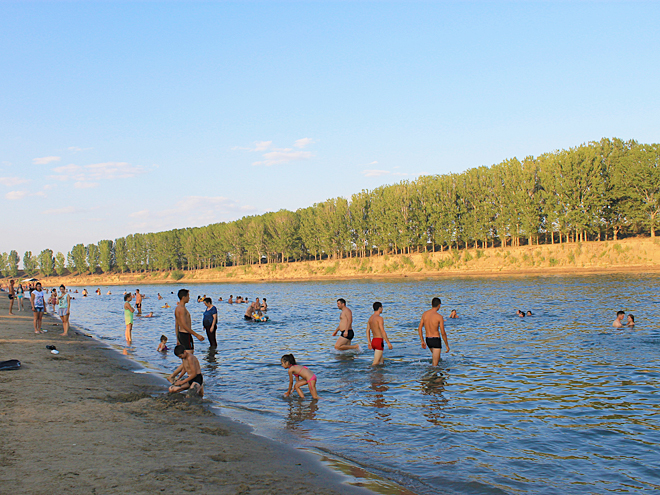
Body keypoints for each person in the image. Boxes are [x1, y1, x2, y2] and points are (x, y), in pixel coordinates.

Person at [418, 297, 450, 366]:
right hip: (436, 340)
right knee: (435, 365)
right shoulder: (439, 317)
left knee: (437, 360)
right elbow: (443, 333)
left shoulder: (425, 314)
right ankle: (432, 375)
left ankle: (438, 375)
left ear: (431, 304)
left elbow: (420, 328)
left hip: (428, 340)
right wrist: (447, 345)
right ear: (439, 305)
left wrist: (422, 341)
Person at [175, 289, 204, 353]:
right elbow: (184, 325)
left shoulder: (177, 308)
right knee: (189, 356)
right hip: (185, 334)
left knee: (186, 358)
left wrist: (178, 338)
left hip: (181, 334)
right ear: (183, 297)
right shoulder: (182, 309)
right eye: (188, 296)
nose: (189, 298)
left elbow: (176, 325)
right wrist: (197, 335)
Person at [366, 302, 393, 366]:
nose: (382, 309)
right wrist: (388, 342)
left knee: (381, 362)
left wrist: (369, 342)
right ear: (380, 308)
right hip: (379, 341)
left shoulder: (370, 318)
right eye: (382, 308)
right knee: (375, 363)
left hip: (373, 341)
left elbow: (367, 330)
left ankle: (380, 375)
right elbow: (382, 331)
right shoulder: (379, 318)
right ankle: (369, 374)